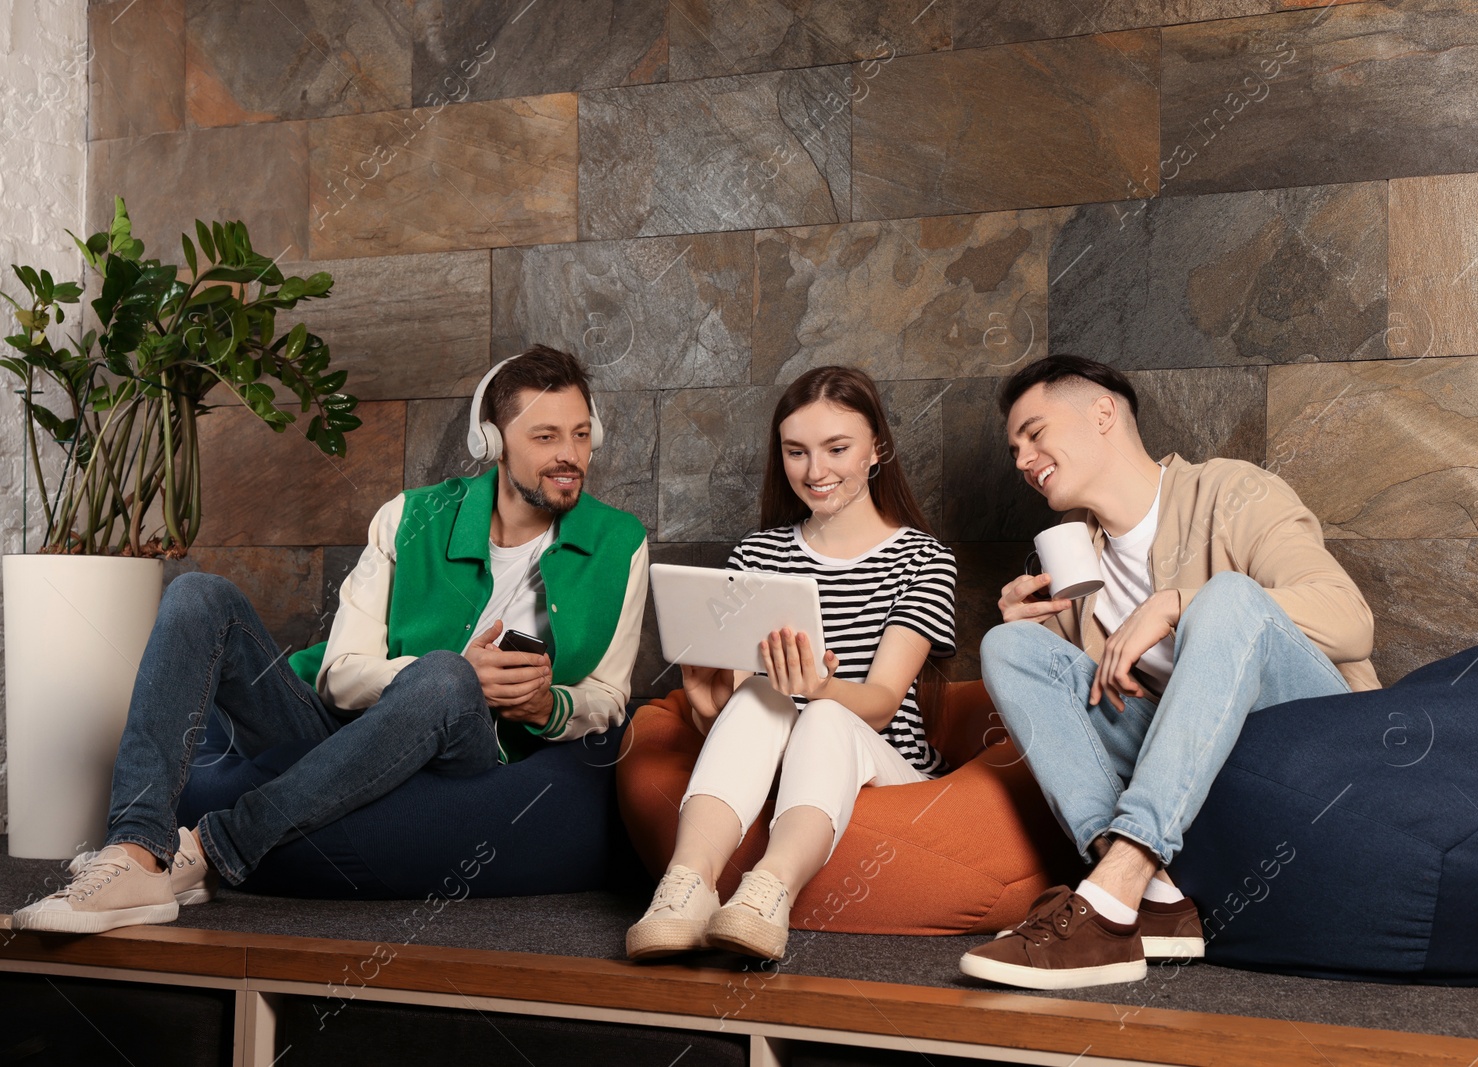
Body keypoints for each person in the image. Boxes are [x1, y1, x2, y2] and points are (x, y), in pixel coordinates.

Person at [12, 345, 648, 933]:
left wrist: (546, 707)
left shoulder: (621, 544)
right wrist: (446, 667)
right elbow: (341, 672)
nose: (571, 455)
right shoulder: (411, 517)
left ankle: (209, 848)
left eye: (582, 434)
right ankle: (135, 852)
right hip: (342, 730)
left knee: (447, 681)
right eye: (547, 436)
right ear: (494, 442)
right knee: (198, 594)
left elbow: (608, 696)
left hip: (468, 757)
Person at [960, 354, 1377, 990]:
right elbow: (1092, 710)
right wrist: (1031, 627)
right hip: (1203, 772)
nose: (1021, 459)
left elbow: (1351, 620)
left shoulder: (1233, 491)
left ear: (1103, 413)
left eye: (1035, 433)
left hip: (1318, 745)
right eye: (1014, 446)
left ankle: (1113, 890)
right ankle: (1151, 898)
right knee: (1005, 647)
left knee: (1231, 596)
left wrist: (1178, 605)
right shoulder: (1079, 565)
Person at [625, 366, 957, 962]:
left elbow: (881, 704)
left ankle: (767, 890)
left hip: (888, 769)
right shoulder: (758, 554)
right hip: (781, 771)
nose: (816, 471)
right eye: (796, 452)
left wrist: (824, 689)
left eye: (837, 448)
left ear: (876, 449)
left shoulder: (923, 558)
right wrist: (710, 708)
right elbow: (746, 724)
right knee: (761, 699)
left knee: (825, 717)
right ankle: (684, 887)